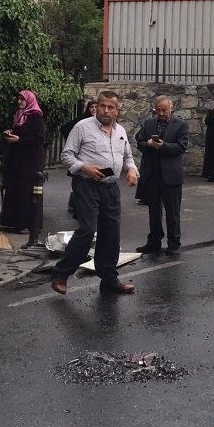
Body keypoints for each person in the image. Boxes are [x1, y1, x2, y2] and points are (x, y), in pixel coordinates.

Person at [51, 91, 138, 295]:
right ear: (96, 107)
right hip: (86, 184)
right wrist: (84, 167)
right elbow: (66, 156)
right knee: (87, 230)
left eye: (111, 107)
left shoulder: (120, 131)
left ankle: (109, 279)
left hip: (110, 187)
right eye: (102, 106)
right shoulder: (82, 127)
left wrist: (132, 170)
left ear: (117, 110)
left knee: (111, 233)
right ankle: (61, 274)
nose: (106, 110)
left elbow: (127, 156)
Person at [134, 96, 189, 255]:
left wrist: (163, 146)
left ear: (171, 108)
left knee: (173, 212)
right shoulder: (149, 123)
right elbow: (140, 142)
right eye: (158, 110)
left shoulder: (181, 125)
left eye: (164, 110)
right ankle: (154, 241)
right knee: (153, 211)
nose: (161, 113)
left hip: (171, 175)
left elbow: (181, 147)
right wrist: (148, 144)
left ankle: (174, 243)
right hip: (152, 173)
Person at [1, 89, 47, 234]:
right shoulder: (19, 115)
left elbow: (39, 138)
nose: (19, 102)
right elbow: (20, 132)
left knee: (28, 190)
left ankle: (28, 224)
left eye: (23, 99)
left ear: (29, 101)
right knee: (17, 189)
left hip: (31, 161)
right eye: (19, 99)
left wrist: (19, 139)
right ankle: (15, 222)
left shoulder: (36, 116)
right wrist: (10, 132)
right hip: (18, 159)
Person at [62, 100, 98, 216]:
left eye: (96, 107)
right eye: (91, 107)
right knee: (79, 183)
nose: (94, 109)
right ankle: (75, 207)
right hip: (81, 158)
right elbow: (65, 128)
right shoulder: (81, 121)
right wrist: (74, 141)